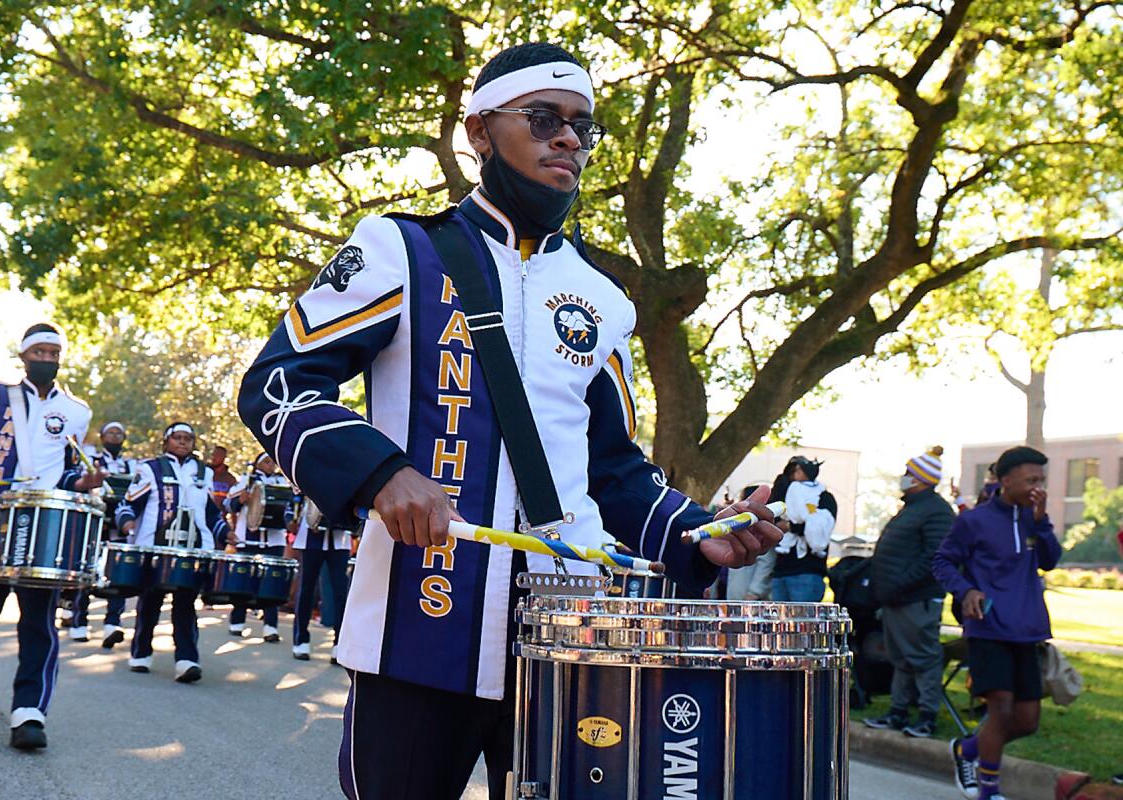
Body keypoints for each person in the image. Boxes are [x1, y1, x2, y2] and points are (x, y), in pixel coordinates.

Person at [236, 41, 782, 800]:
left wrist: (699, 534)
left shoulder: (603, 297)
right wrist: (382, 472)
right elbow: (278, 384)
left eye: (583, 127)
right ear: (479, 133)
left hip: (573, 639)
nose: (569, 139)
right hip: (417, 630)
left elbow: (612, 468)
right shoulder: (400, 249)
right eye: (543, 118)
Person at [0, 322, 104, 750]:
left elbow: (65, 469)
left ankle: (30, 713)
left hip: (44, 527)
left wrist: (81, 482)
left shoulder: (76, 411)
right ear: (23, 356)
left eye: (53, 353)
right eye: (38, 352)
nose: (46, 360)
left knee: (39, 623)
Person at [934, 446, 1062, 800]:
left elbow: (1050, 561)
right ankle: (988, 789)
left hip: (1027, 628)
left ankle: (967, 749)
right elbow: (943, 561)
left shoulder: (1035, 519)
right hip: (988, 625)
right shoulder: (974, 520)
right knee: (1001, 710)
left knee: (1027, 720)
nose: (1038, 485)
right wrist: (966, 591)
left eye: (1041, 479)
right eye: (1030, 479)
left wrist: (1042, 521)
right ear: (1006, 480)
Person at [116, 422, 229, 683]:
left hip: (192, 550)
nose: (182, 442)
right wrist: (127, 522)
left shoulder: (204, 472)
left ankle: (187, 660)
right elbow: (129, 503)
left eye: (188, 438)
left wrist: (225, 532)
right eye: (177, 438)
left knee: (186, 603)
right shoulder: (150, 468)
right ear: (166, 441)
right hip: (155, 546)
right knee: (150, 601)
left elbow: (211, 512)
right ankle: (141, 653)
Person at [862, 446, 955, 738]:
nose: (903, 478)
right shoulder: (913, 508)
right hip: (896, 597)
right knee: (901, 658)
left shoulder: (937, 511)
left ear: (921, 479)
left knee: (924, 659)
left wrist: (901, 582)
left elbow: (934, 556)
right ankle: (897, 712)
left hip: (917, 598)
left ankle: (927, 716)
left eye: (908, 474)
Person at [69, 421, 139, 648]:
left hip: (118, 525)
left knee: (116, 572)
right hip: (94, 522)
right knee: (87, 570)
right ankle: (79, 622)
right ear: (102, 436)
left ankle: (112, 623)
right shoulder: (92, 460)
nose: (115, 437)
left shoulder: (131, 464)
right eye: (111, 432)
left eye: (120, 433)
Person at [226, 452, 291, 642]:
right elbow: (227, 505)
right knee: (243, 581)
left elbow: (290, 507)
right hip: (248, 539)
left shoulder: (283, 481)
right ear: (257, 464)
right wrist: (240, 500)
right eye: (266, 461)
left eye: (273, 462)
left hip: (274, 539)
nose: (271, 465)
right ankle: (237, 621)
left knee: (272, 583)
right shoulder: (246, 480)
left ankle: (270, 626)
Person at [289, 490, 355, 661]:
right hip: (311, 537)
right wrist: (291, 520)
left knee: (341, 591)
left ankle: (339, 643)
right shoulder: (309, 467)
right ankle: (301, 639)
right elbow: (294, 501)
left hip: (339, 540)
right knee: (306, 588)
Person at [769, 456, 837, 602]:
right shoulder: (786, 493)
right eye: (792, 470)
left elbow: (820, 528)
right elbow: (772, 515)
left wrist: (791, 526)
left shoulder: (823, 497)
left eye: (799, 469)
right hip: (780, 570)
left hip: (807, 571)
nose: (795, 474)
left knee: (801, 622)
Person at [723, 484, 775, 601]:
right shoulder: (737, 526)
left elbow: (766, 563)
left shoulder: (761, 529)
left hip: (750, 599)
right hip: (734, 596)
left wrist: (754, 592)